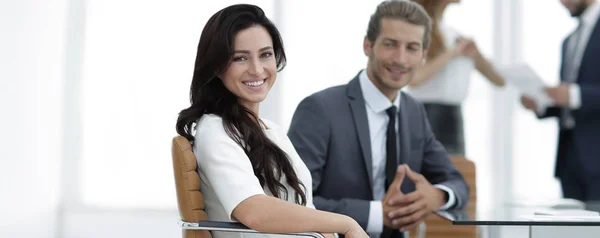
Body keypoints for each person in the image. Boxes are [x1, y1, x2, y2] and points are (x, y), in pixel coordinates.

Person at [175, 4, 369, 238]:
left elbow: (305, 209)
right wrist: (346, 223)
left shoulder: (271, 131)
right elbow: (253, 211)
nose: (257, 69)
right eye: (240, 58)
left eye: (265, 54)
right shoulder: (215, 131)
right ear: (217, 66)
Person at [287, 1, 469, 238]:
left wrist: (437, 196)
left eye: (412, 48)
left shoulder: (413, 111)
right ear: (367, 45)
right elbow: (293, 200)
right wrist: (375, 214)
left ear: (424, 55)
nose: (400, 59)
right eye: (390, 45)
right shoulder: (319, 110)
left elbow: (456, 181)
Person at [520, 0, 600, 201]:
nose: (562, 2)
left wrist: (576, 95)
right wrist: (542, 105)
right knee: (573, 230)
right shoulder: (569, 40)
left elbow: (574, 95)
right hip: (569, 158)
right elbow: (569, 100)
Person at [406, 0, 505, 155]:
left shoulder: (454, 35)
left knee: (456, 174)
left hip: (453, 119)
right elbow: (414, 79)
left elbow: (500, 81)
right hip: (426, 117)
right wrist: (452, 53)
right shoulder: (417, 31)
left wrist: (476, 55)